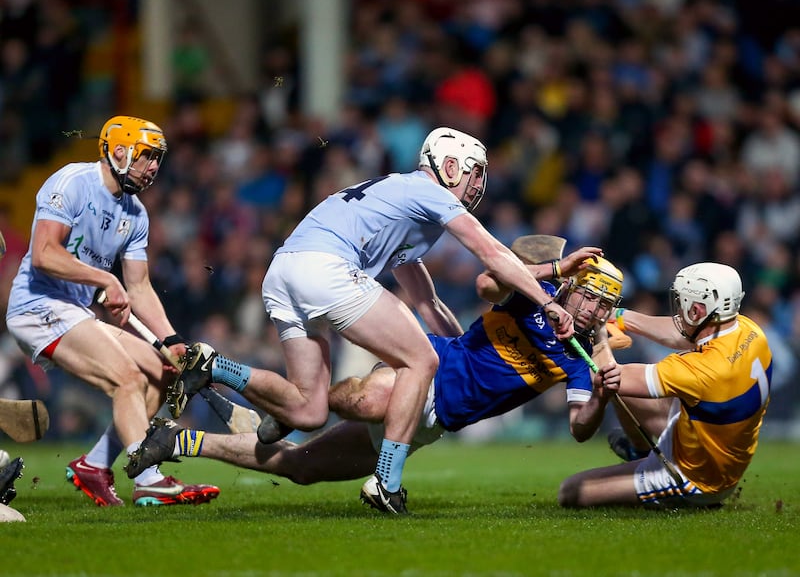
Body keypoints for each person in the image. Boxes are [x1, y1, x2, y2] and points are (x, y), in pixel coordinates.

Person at [166, 127, 580, 514]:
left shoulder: (401, 205)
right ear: (449, 165)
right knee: (420, 360)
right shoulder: (428, 191)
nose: (477, 184)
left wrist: (465, 351)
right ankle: (387, 482)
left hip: (284, 271)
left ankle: (214, 366)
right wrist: (547, 298)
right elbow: (491, 252)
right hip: (324, 267)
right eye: (474, 172)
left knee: (308, 411)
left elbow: (428, 302)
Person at [128, 253, 626, 512]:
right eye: (589, 297)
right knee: (356, 398)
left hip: (429, 423)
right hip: (428, 366)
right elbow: (485, 283)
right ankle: (232, 375)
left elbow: (581, 429)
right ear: (571, 288)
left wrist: (603, 391)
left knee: (301, 467)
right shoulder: (535, 295)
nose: (594, 311)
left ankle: (182, 439)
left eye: (604, 305)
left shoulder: (579, 359)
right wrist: (550, 274)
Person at [4, 116, 219, 507]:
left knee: (162, 373)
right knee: (126, 377)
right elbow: (44, 254)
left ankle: (95, 464)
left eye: (158, 159)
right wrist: (104, 281)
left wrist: (171, 340)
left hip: (75, 311)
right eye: (148, 156)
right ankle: (149, 480)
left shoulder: (136, 214)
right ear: (119, 151)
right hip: (37, 307)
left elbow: (138, 286)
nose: (154, 167)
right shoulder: (72, 182)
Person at [558, 262, 772, 510]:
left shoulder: (699, 372)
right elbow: (680, 334)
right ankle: (639, 454)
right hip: (708, 442)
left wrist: (598, 335)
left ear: (698, 309)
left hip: (696, 478)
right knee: (638, 398)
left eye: (682, 302)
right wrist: (619, 316)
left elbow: (610, 379)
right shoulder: (748, 330)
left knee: (572, 491)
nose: (679, 309)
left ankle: (688, 500)